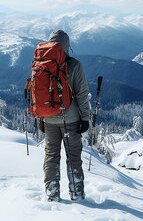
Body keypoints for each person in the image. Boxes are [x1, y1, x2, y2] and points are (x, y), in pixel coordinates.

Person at [43, 30, 90, 202]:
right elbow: (82, 94)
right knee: (73, 157)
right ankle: (77, 194)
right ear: (67, 45)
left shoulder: (43, 63)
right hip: (70, 120)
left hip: (48, 119)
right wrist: (85, 118)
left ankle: (51, 194)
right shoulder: (74, 65)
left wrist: (42, 118)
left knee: (51, 156)